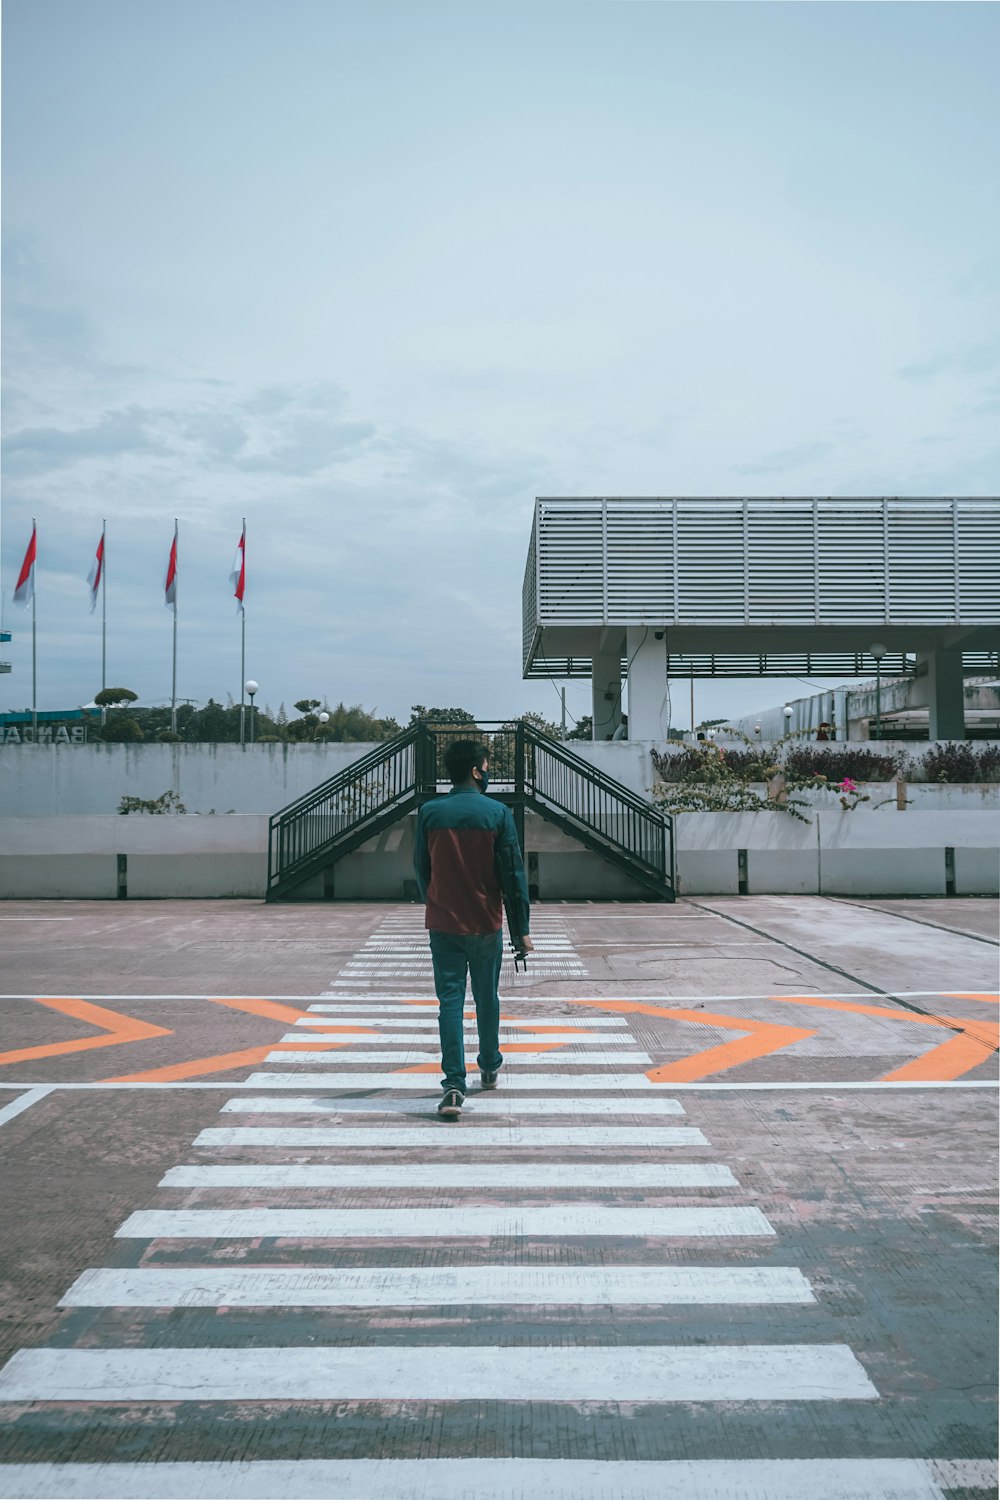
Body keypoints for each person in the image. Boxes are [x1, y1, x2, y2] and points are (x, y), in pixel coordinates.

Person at [413, 739, 533, 1118]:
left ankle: (452, 1086)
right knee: (486, 997)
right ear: (477, 770)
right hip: (485, 922)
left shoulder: (429, 813)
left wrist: (435, 901)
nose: (488, 770)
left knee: (449, 1003)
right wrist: (522, 929)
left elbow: (421, 870)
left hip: (443, 923)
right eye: (487, 764)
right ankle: (490, 1063)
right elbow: (513, 876)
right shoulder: (498, 814)